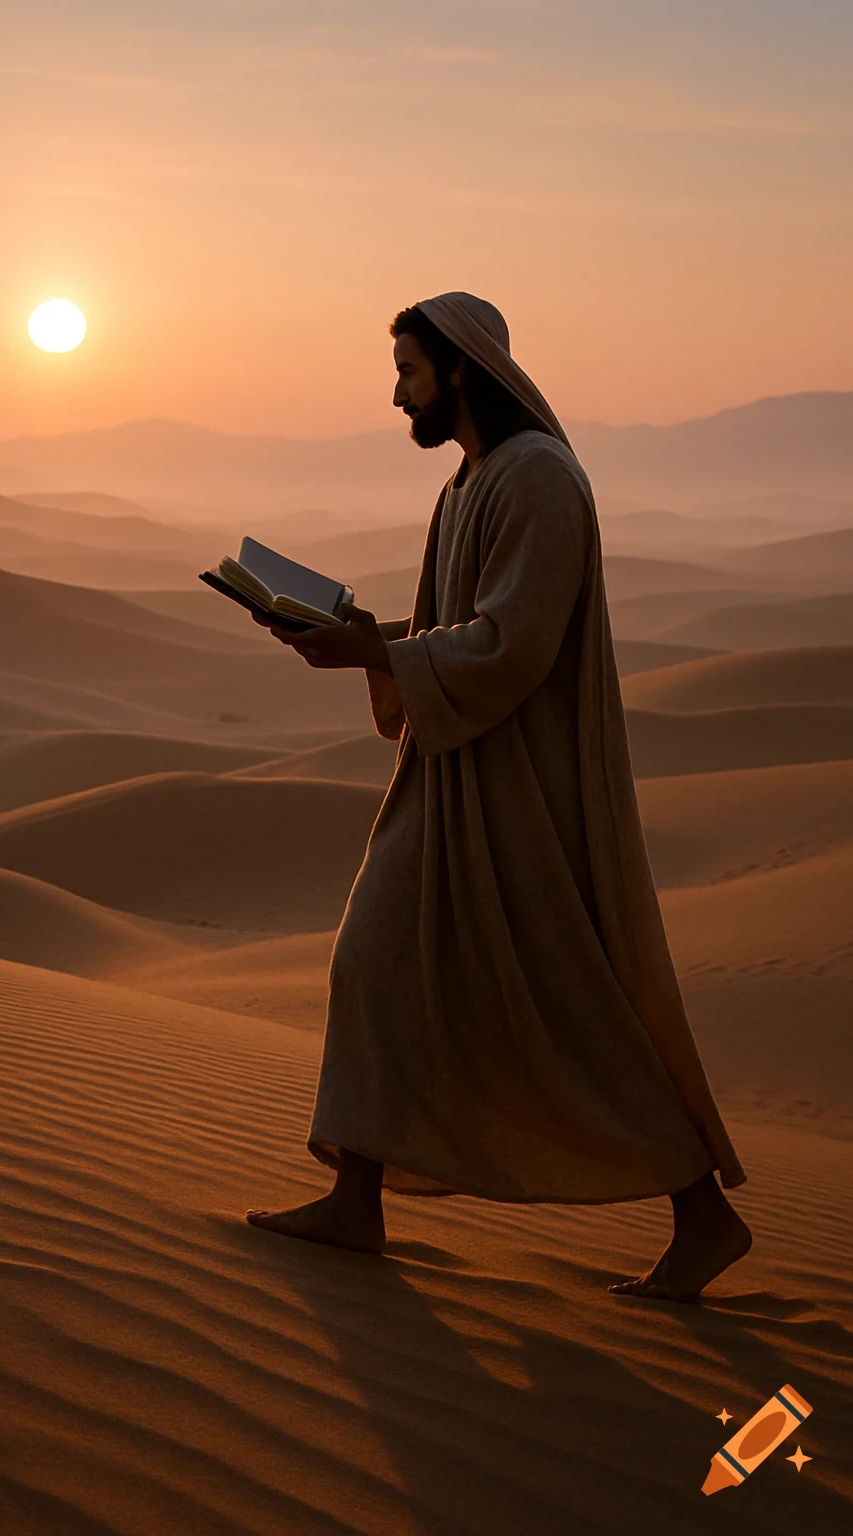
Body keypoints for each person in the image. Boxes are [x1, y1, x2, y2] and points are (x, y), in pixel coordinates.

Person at [246, 291, 753, 1303]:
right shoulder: (468, 485)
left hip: (522, 794)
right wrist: (359, 635)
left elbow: (510, 646)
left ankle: (703, 1214)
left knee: (567, 1006)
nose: (397, 396)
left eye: (408, 372)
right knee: (378, 961)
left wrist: (380, 650)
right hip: (450, 779)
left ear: (461, 369)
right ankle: (357, 1199)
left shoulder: (540, 481)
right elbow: (452, 631)